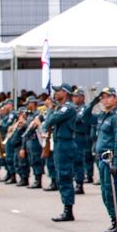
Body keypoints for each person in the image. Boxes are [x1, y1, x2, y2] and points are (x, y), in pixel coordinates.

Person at [90, 87, 117, 232]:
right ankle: (114, 221)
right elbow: (85, 118)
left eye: (108, 96)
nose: (105, 99)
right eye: (102, 97)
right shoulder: (102, 116)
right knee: (106, 192)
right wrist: (92, 103)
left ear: (115, 99)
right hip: (101, 159)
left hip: (111, 158)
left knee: (113, 191)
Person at [41, 84, 78, 222]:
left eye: (58, 91)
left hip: (65, 144)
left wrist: (50, 109)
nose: (55, 94)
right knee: (60, 176)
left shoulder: (68, 108)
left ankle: (68, 210)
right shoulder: (62, 107)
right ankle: (66, 208)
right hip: (60, 143)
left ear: (65, 93)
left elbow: (51, 119)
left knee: (64, 175)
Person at [72, 88, 88, 194]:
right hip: (74, 135)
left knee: (78, 160)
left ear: (82, 97)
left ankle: (79, 183)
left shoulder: (84, 108)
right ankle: (76, 180)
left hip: (80, 136)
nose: (74, 98)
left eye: (76, 96)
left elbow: (77, 119)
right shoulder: (74, 108)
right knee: (74, 160)